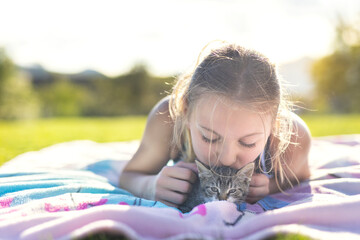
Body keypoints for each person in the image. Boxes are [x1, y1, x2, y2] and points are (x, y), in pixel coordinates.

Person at [119, 42, 311, 208]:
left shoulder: (293, 136)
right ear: (185, 111)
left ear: (274, 126)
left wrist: (271, 186)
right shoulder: (167, 117)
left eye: (248, 142)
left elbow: (300, 176)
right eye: (209, 137)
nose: (226, 159)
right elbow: (129, 176)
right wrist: (149, 186)